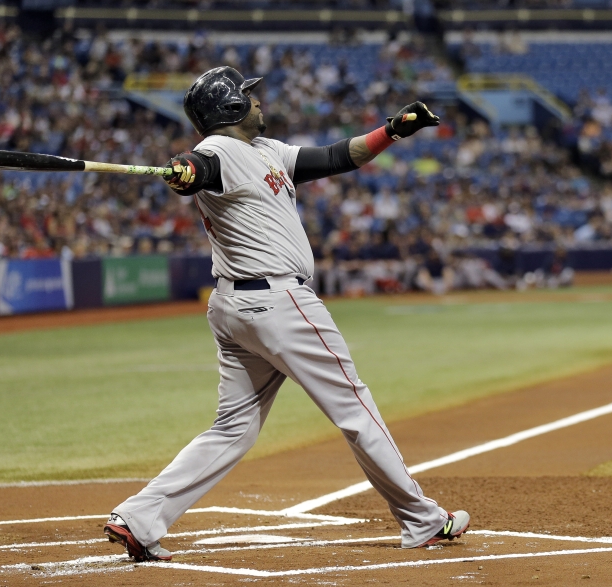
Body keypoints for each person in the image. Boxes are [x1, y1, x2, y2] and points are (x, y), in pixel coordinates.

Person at [102, 67, 470, 561]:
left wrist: (393, 129)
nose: (258, 102)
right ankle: (423, 520)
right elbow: (198, 168)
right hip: (279, 302)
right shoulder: (219, 152)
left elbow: (339, 157)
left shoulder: (267, 151)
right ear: (229, 108)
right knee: (354, 408)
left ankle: (139, 518)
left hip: (236, 306)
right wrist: (185, 171)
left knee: (233, 427)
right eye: (247, 97)